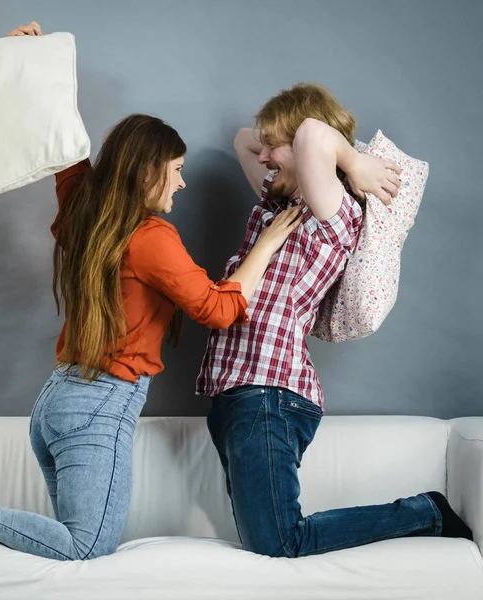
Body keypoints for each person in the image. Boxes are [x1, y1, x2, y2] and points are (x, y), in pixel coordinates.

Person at [0, 22, 303, 561]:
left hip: (58, 400)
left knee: (69, 553)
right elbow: (220, 309)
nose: (181, 183)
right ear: (150, 170)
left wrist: (30, 59)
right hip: (96, 406)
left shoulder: (86, 207)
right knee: (85, 547)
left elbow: (58, 134)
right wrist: (267, 244)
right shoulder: (152, 238)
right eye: (176, 171)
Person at [197, 83, 473, 558]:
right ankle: (424, 514)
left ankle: (424, 513)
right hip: (239, 393)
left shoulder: (334, 212)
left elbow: (311, 134)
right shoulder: (279, 204)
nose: (262, 156)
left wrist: (353, 162)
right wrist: (280, 143)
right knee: (269, 541)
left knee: (279, 542)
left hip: (270, 392)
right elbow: (245, 139)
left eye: (274, 146)